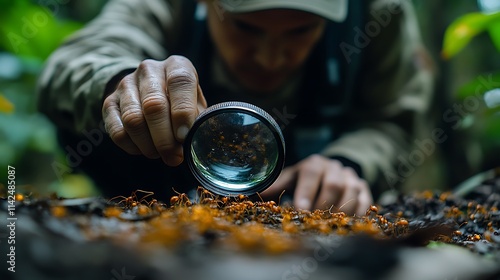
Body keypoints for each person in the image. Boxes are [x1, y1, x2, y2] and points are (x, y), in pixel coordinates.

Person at [37, 0, 435, 215]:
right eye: (246, 27)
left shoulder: (379, 13)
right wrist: (123, 84)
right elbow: (75, 64)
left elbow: (395, 117)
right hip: (158, 187)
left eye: (300, 30)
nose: (269, 58)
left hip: (304, 199)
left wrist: (349, 162)